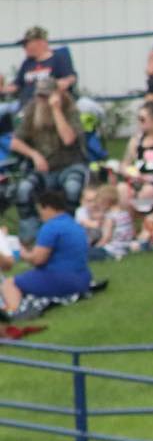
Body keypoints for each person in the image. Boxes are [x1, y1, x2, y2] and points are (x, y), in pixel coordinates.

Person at [9, 78, 86, 244]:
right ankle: (31, 238)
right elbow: (14, 142)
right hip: (43, 169)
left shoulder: (70, 109)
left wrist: (56, 110)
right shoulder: (32, 109)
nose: (42, 100)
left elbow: (68, 139)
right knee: (24, 189)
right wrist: (34, 154)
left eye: (46, 96)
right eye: (39, 96)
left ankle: (69, 235)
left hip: (69, 165)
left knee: (72, 188)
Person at [0, 190, 92, 321]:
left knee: (9, 284)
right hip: (83, 279)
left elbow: (38, 260)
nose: (40, 214)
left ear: (48, 208)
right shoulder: (73, 223)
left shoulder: (51, 227)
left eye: (40, 210)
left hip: (62, 279)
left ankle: (14, 312)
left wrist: (23, 254)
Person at [1, 26, 76, 117]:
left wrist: (63, 83)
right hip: (24, 104)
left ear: (40, 42)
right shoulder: (27, 63)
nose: (24, 48)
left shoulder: (58, 58)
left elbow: (70, 77)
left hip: (48, 105)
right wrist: (2, 88)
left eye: (26, 44)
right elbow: (16, 85)